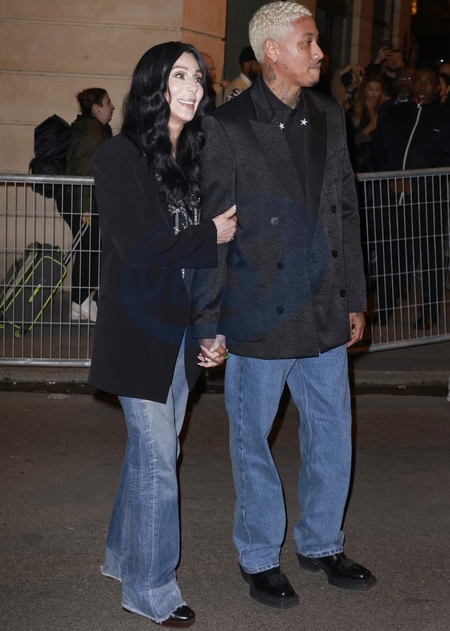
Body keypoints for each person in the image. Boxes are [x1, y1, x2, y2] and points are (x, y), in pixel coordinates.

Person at [191, 1, 376, 610]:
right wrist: (209, 320)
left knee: (333, 433)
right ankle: (259, 556)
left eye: (316, 41)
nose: (320, 53)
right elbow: (216, 230)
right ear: (272, 51)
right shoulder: (226, 125)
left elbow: (345, 210)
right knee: (253, 440)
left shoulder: (328, 113)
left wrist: (354, 297)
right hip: (258, 311)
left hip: (324, 306)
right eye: (308, 42)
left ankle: (321, 543)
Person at [89, 42, 237, 627]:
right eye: (180, 75)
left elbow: (203, 267)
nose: (193, 87)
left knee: (154, 451)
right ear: (153, 83)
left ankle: (120, 555)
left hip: (180, 328)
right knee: (157, 459)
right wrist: (207, 234)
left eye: (198, 78)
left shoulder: (193, 158)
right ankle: (150, 587)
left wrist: (209, 328)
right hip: (136, 329)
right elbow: (138, 247)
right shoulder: (117, 157)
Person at [372, 67, 450, 328]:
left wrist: (417, 182)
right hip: (392, 194)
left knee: (429, 257)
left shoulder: (444, 116)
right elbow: (379, 148)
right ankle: (384, 307)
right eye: (419, 81)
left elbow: (445, 157)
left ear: (437, 86)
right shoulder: (395, 113)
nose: (423, 86)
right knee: (388, 254)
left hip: (427, 197)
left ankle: (429, 312)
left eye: (429, 82)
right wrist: (388, 176)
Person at [57, 87, 114, 322]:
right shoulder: (93, 132)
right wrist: (85, 209)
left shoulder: (95, 129)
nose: (112, 107)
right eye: (108, 103)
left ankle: (80, 303)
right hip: (82, 202)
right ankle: (80, 302)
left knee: (91, 249)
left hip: (83, 201)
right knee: (91, 250)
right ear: (97, 108)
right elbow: (83, 171)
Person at [346, 73, 389, 172]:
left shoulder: (385, 110)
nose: (374, 93)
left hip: (381, 161)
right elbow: (349, 141)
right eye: (370, 89)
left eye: (377, 89)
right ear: (364, 90)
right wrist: (369, 128)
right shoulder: (353, 113)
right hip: (361, 162)